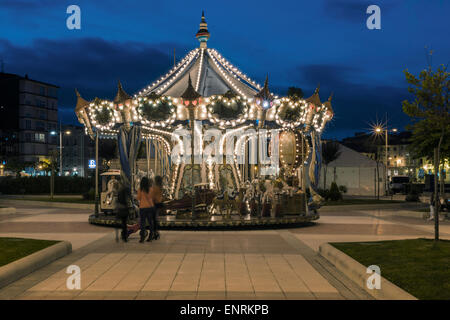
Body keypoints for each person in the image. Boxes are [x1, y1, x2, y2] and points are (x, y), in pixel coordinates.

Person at [137, 177, 153, 243]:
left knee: (143, 223)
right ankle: (151, 236)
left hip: (142, 208)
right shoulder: (151, 189)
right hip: (150, 208)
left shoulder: (140, 189)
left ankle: (142, 237)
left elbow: (138, 198)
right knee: (150, 222)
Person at [149, 175, 163, 241]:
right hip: (158, 204)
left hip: (153, 204)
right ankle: (156, 232)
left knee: (152, 219)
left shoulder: (155, 188)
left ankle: (154, 233)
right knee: (155, 219)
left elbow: (152, 196)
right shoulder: (160, 187)